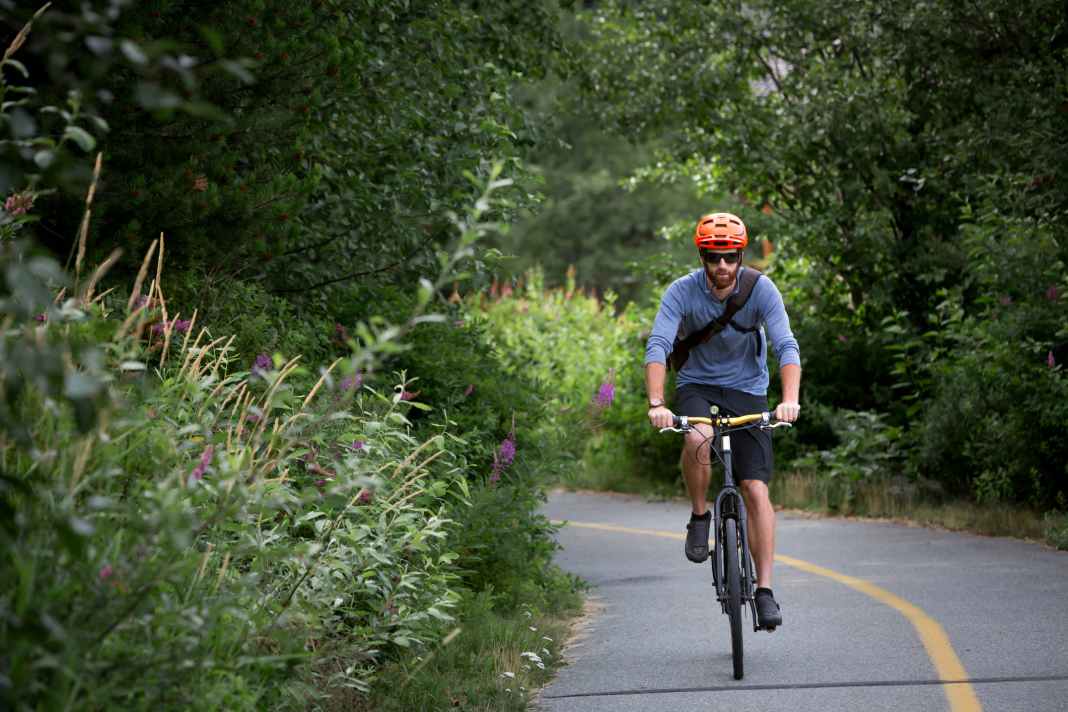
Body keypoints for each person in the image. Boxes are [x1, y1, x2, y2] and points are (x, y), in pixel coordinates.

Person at [644, 212, 801, 629]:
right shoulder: (681, 292)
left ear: (740, 256)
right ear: (702, 257)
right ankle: (700, 516)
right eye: (714, 258)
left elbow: (786, 345)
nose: (723, 267)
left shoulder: (761, 289)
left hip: (748, 390)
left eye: (730, 257)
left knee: (755, 489)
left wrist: (789, 400)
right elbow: (659, 344)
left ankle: (764, 591)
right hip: (698, 385)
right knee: (697, 438)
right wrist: (657, 402)